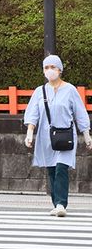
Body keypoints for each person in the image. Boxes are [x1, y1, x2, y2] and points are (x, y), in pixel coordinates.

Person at [24, 54, 92, 216]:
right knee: (51, 169)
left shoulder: (70, 90)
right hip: (46, 137)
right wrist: (29, 132)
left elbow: (80, 113)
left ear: (60, 70)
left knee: (62, 167)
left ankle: (61, 204)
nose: (50, 71)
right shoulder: (40, 91)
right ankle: (56, 203)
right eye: (46, 68)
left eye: (53, 67)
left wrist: (86, 134)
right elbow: (33, 113)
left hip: (65, 134)